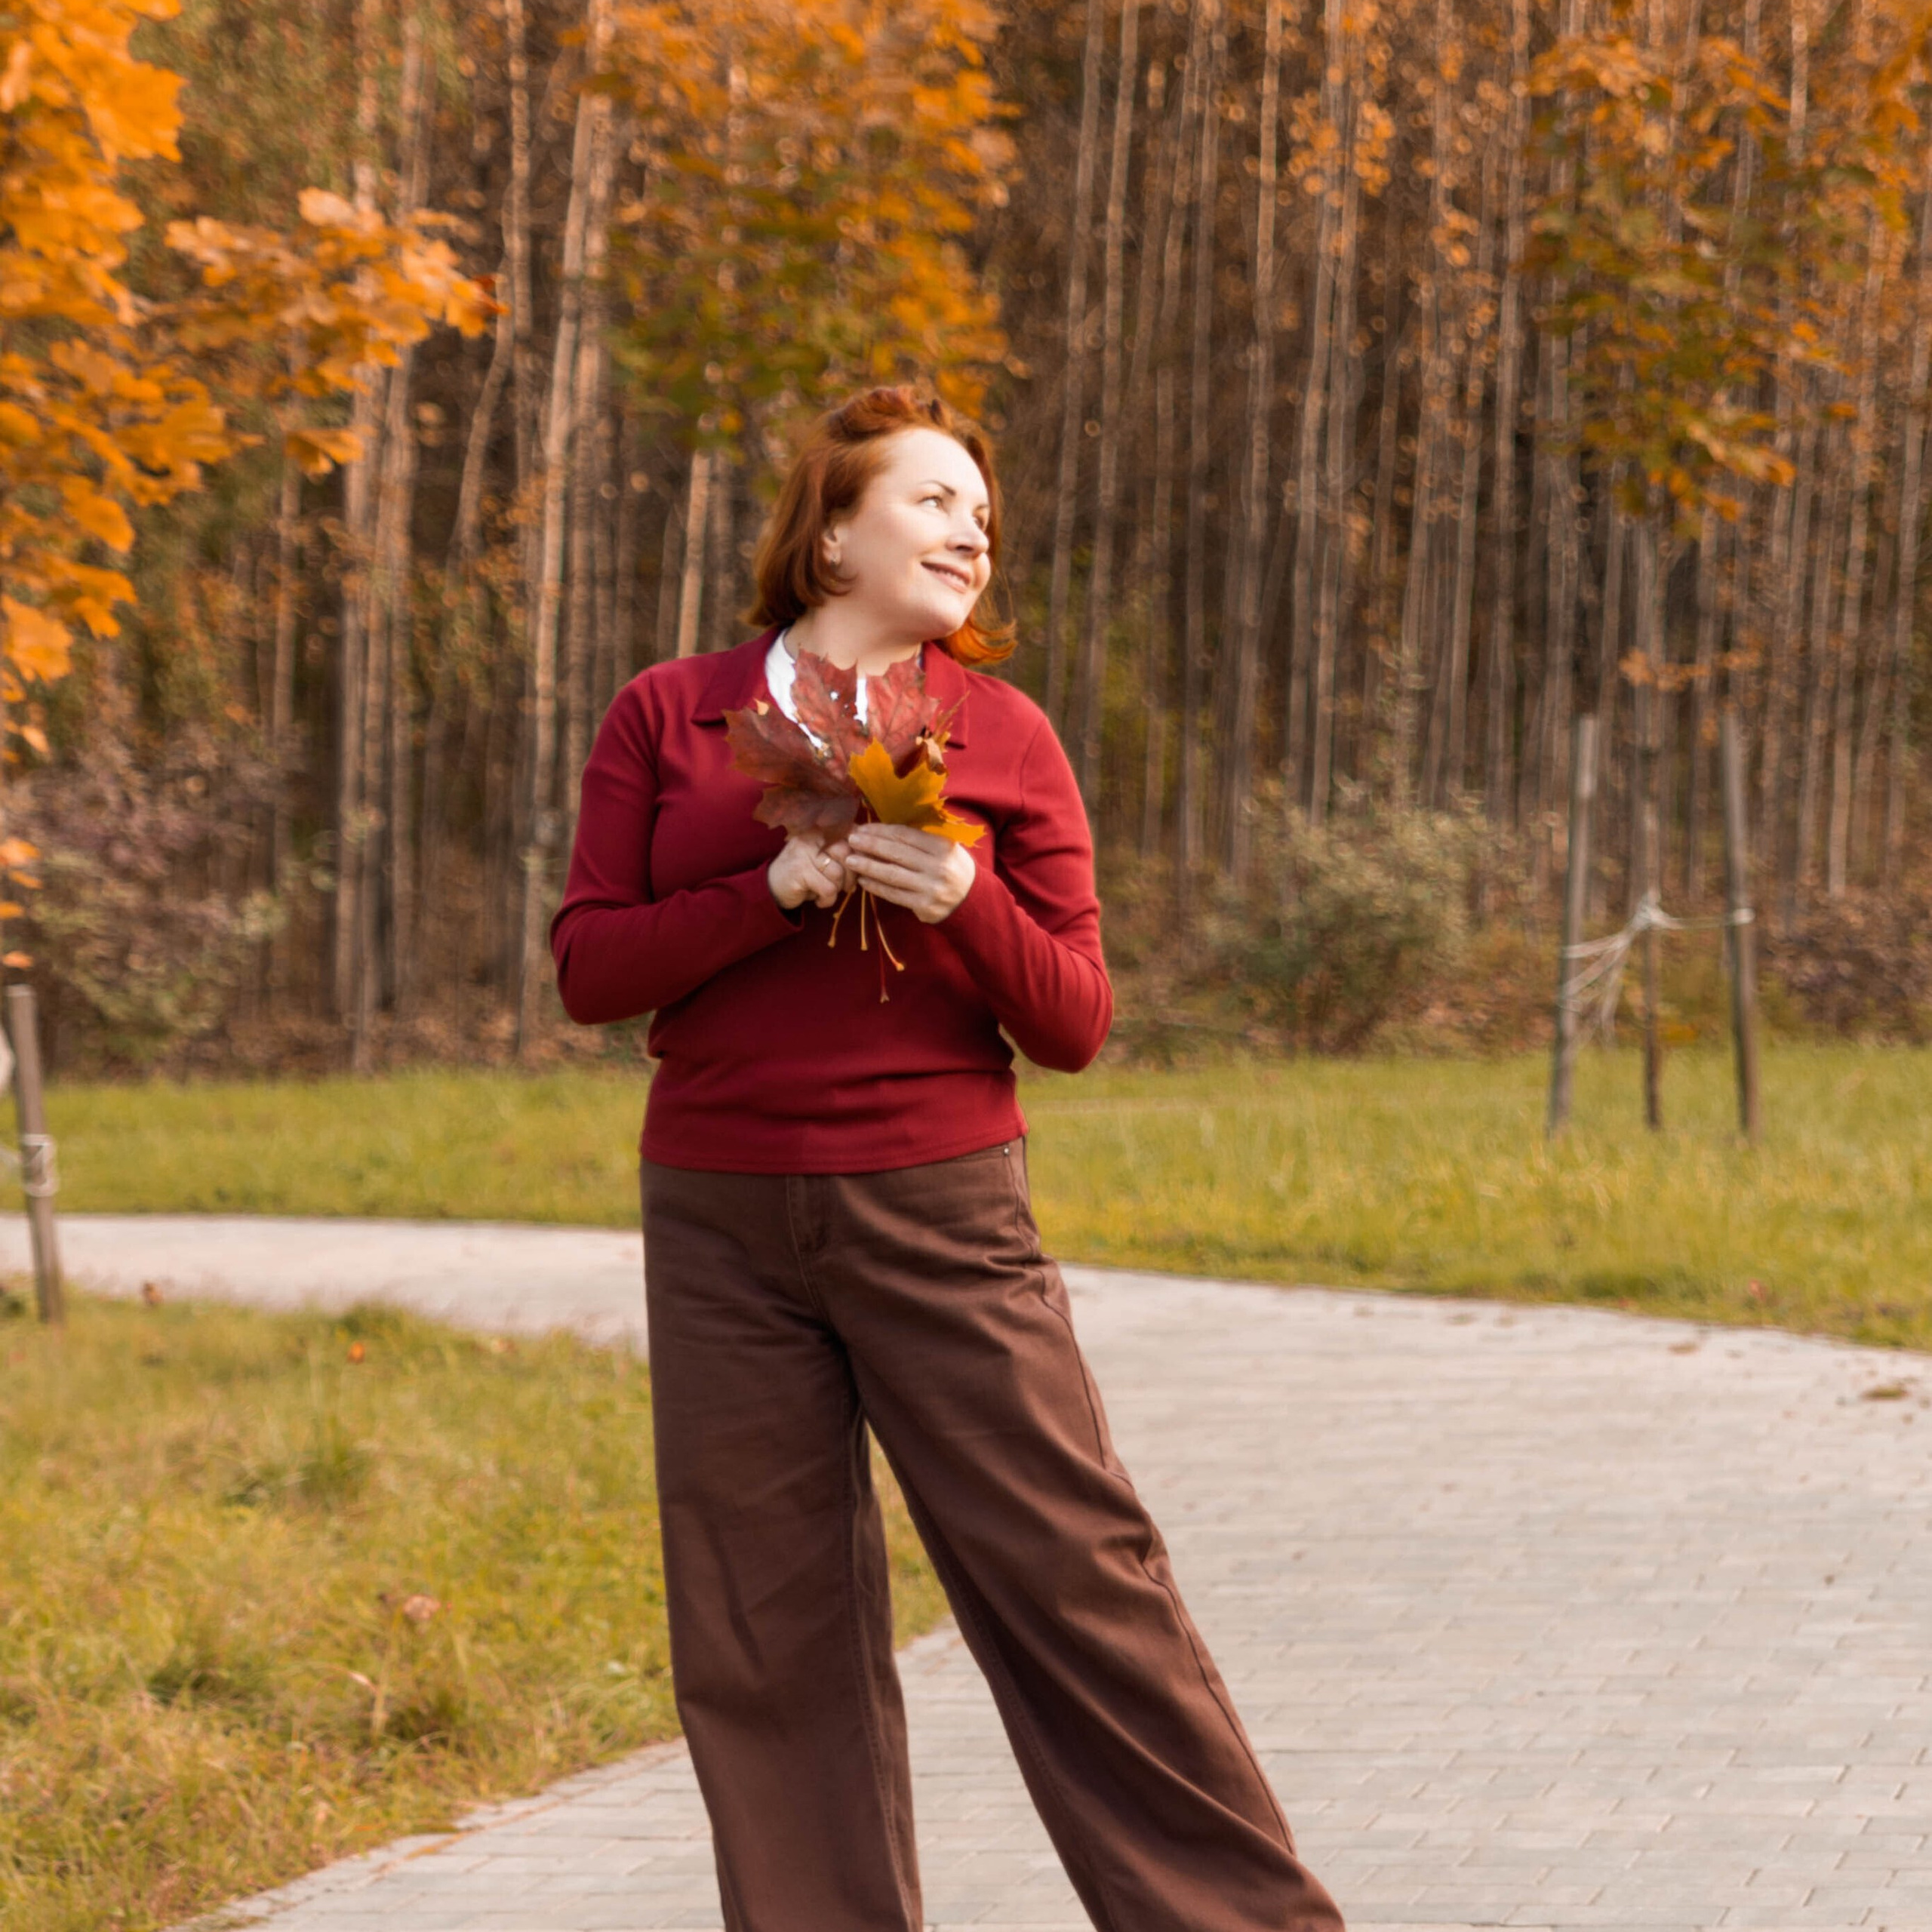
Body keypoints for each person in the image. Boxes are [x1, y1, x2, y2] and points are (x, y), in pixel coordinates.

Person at [550, 384, 1345, 1932]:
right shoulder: (666, 713)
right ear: (832, 534)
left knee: (1075, 1583)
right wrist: (768, 893)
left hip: (942, 1207)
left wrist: (965, 901)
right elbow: (589, 967)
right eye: (933, 501)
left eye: (981, 513)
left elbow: (1076, 1019)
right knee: (759, 1629)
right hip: (718, 1221)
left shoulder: (1004, 734)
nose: (971, 531)